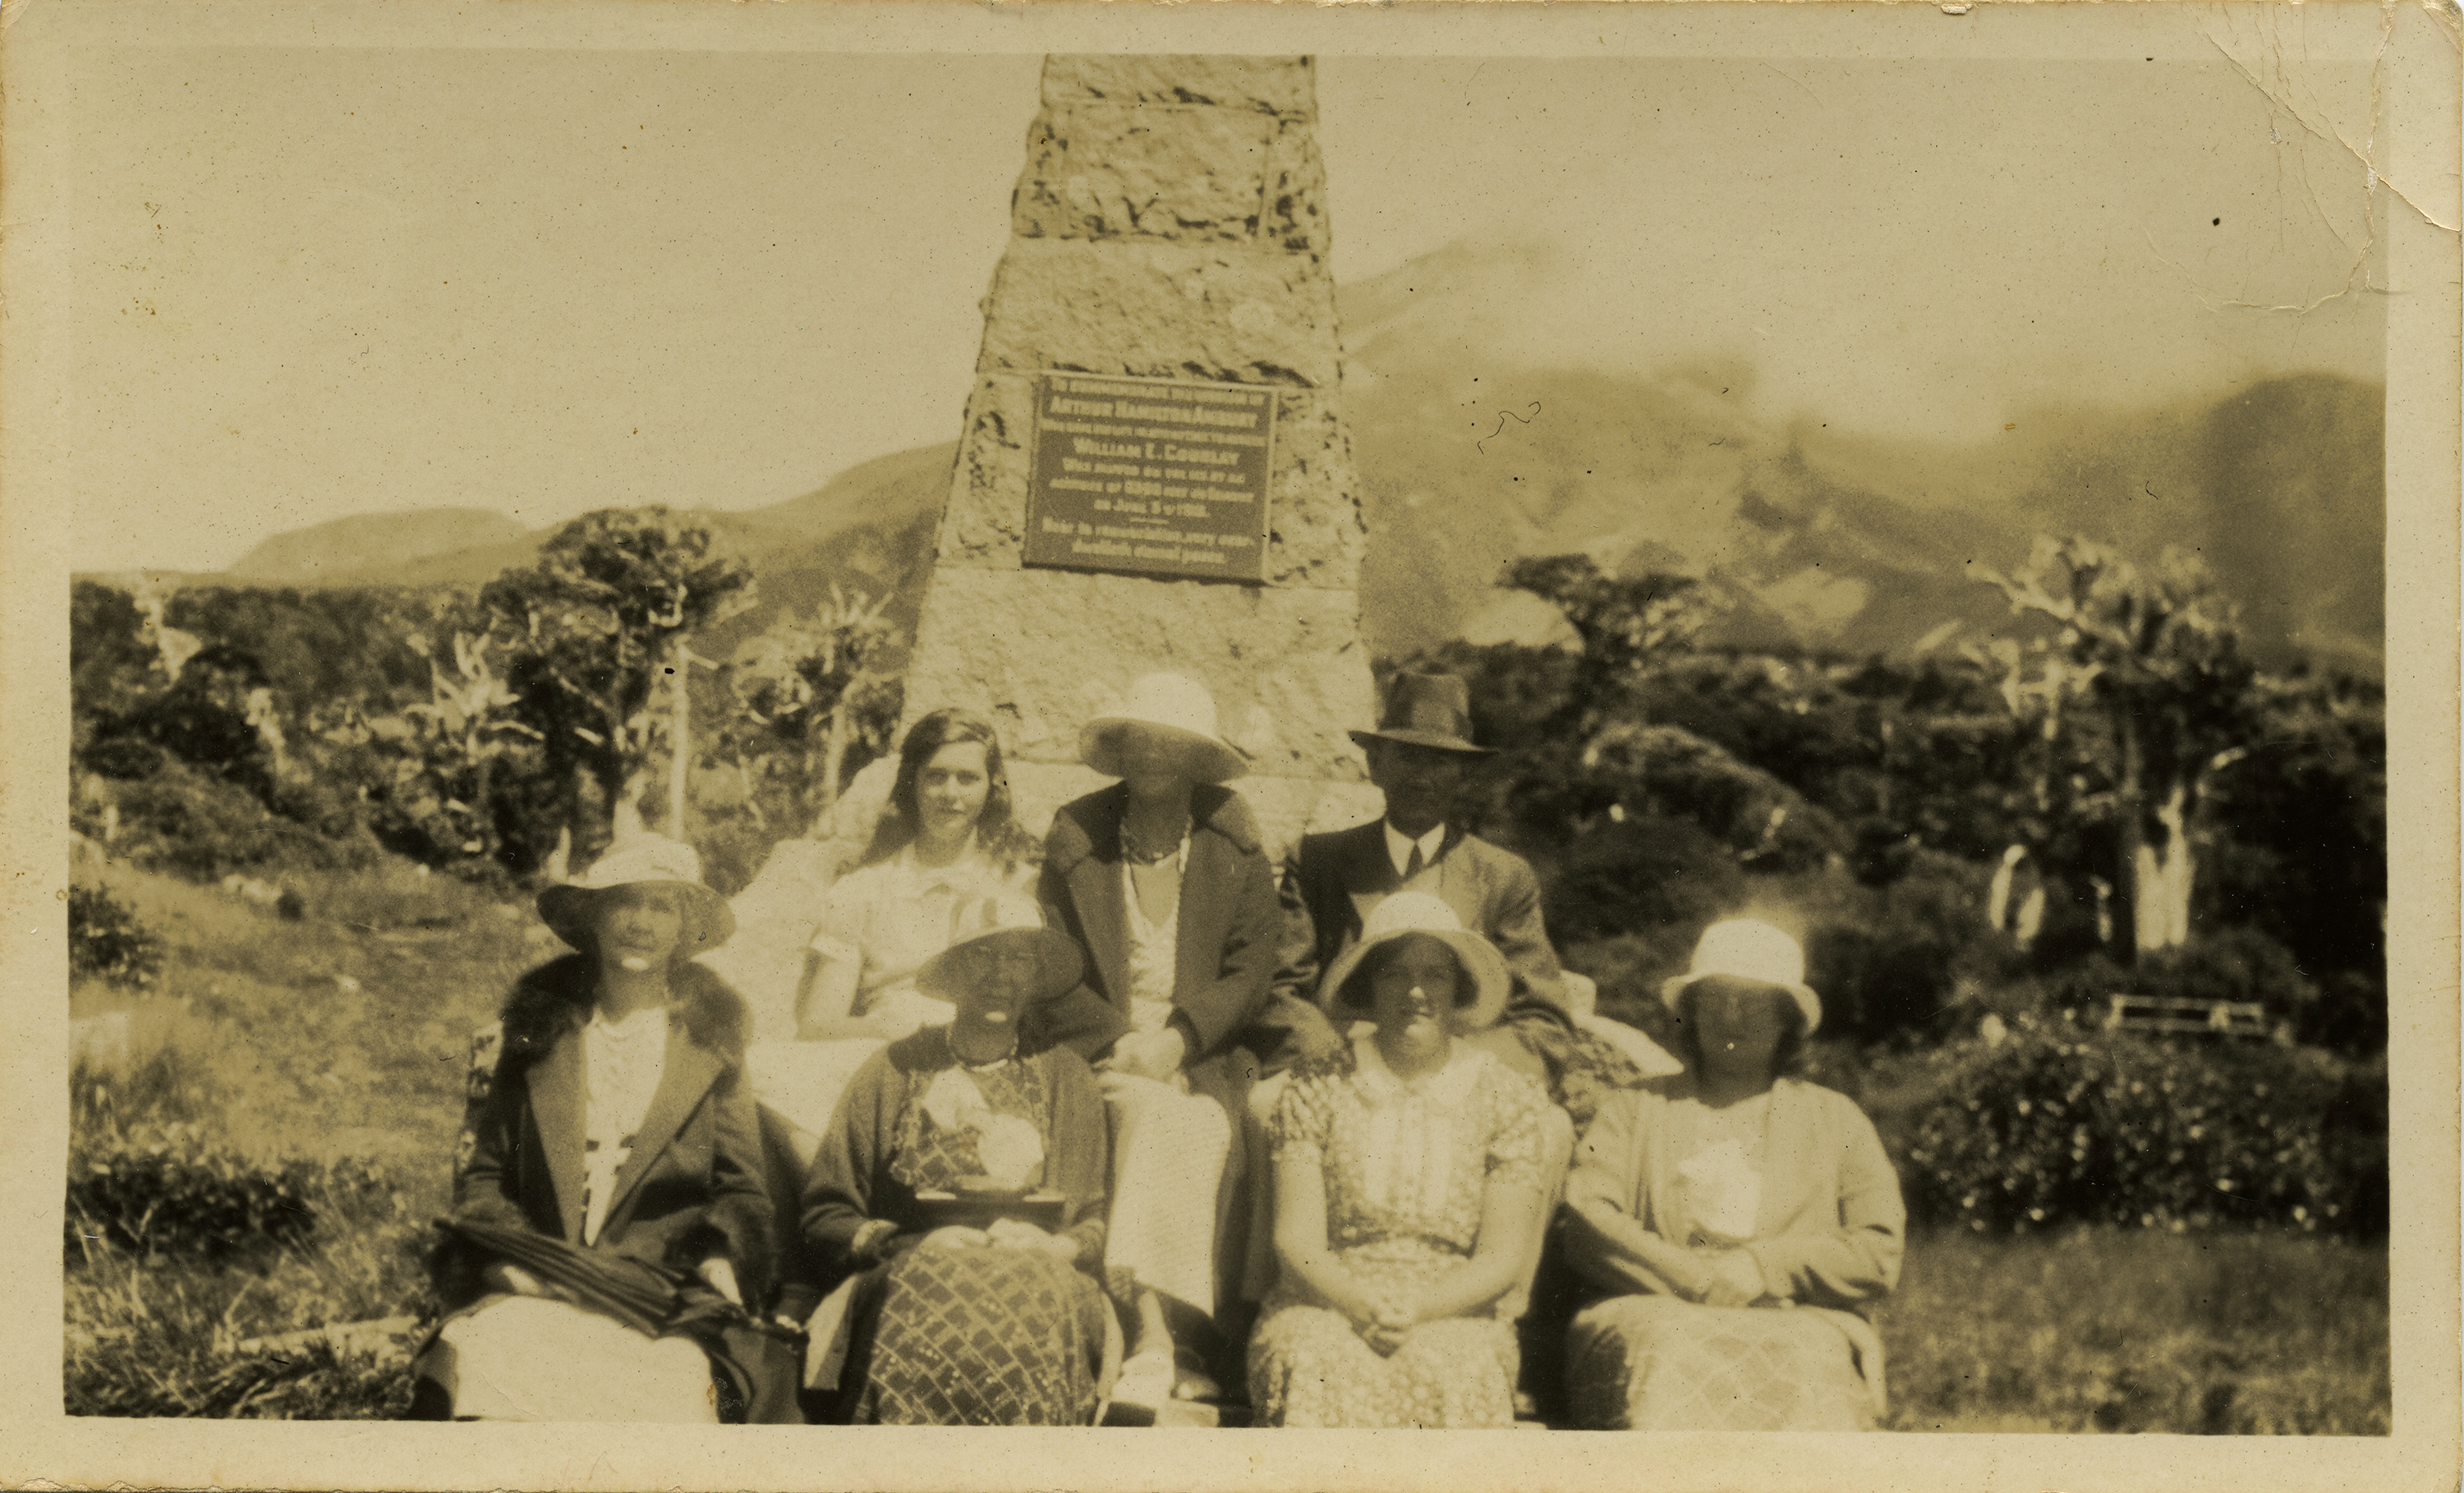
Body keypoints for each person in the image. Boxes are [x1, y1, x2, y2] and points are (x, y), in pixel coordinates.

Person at [411, 834, 779, 1422]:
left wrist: (722, 1260)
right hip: (539, 1278)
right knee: (482, 1359)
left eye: (662, 906)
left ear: (685, 929)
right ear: (595, 918)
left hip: (656, 1294)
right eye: (624, 902)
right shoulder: (538, 1033)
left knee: (672, 1390)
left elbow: (742, 1189)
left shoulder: (712, 1043)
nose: (641, 923)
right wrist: (508, 1265)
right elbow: (485, 1174)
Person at [1028, 671, 1301, 1411]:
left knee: (1206, 1123)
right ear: (1120, 750)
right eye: (1138, 741)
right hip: (1103, 1049)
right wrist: (1125, 1042)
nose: (1153, 756)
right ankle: (1153, 1336)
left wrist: (1179, 1042)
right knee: (1151, 1117)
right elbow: (1051, 965)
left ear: (1196, 758)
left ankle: (1188, 1337)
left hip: (1203, 1054)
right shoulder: (1077, 834)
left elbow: (1251, 967)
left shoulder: (1230, 837)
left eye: (1170, 744)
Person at [1559, 918, 1905, 1431]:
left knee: (1808, 1365)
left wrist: (1765, 1267)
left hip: (1795, 1318)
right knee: (1670, 1349)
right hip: (1655, 1310)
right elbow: (1588, 1217)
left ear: (1788, 1020)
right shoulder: (1634, 1107)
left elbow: (1878, 1249)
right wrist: (1694, 1278)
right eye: (1716, 997)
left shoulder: (1836, 1118)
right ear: (1691, 1012)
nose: (1733, 1016)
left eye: (1757, 1001)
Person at [797, 896, 1115, 1425]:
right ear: (953, 973)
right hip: (909, 1268)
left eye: (1019, 960)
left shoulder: (1068, 1080)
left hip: (1044, 1274)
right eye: (982, 957)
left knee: (1040, 1301)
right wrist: (909, 1244)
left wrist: (1052, 1246)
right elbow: (826, 1215)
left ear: (1036, 977)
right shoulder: (894, 1069)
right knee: (923, 1294)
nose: (1000, 976)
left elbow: (1091, 1221)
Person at [1247, 894, 1551, 1428]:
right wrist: (1360, 1304)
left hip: (1457, 1307)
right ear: (1367, 985)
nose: (1416, 993)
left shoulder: (1508, 1096)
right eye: (1394, 975)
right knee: (1313, 1359)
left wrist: (1420, 1308)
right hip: (1327, 1301)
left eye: (1434, 975)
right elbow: (1296, 1240)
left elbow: (1502, 1257)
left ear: (1459, 985)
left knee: (1461, 1369)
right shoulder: (1318, 1084)